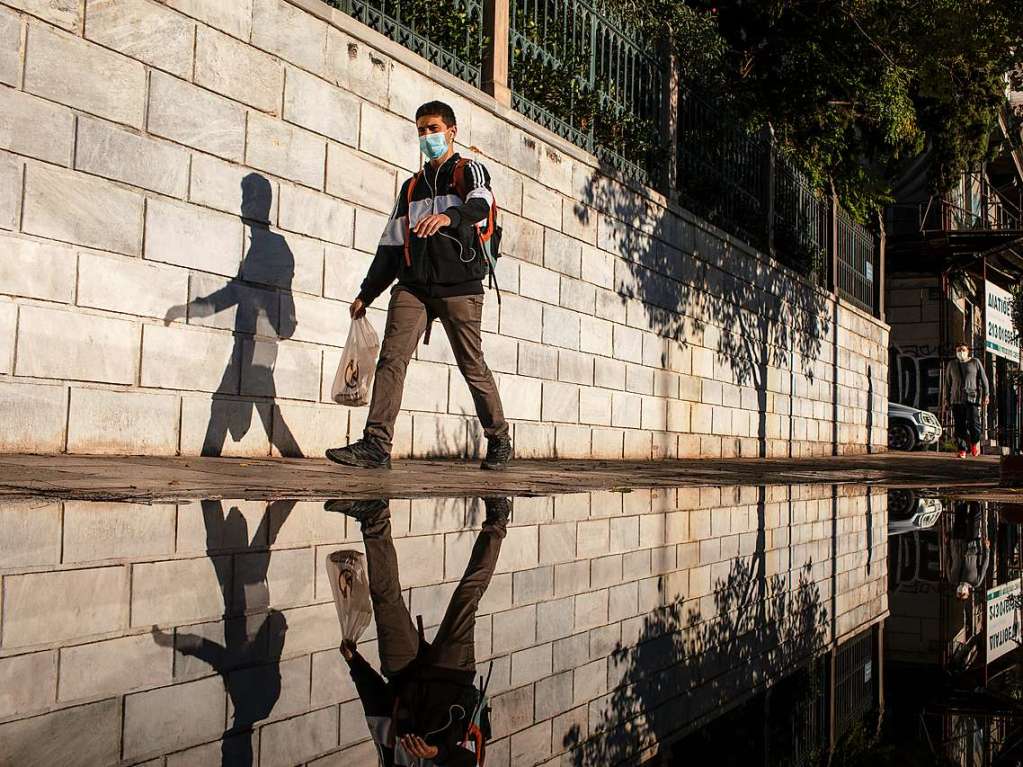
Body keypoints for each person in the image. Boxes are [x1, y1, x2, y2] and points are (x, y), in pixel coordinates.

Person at [326, 101, 511, 471]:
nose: (427, 136)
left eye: (433, 129)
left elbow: (481, 204)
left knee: (471, 365)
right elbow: (391, 246)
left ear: (451, 131)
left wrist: (448, 216)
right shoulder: (411, 187)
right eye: (421, 130)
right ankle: (376, 445)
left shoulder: (468, 169)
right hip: (413, 286)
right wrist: (367, 293)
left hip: (460, 286)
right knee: (392, 359)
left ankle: (499, 437)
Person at [328, 497, 509, 766]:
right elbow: (468, 760)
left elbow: (378, 708)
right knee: (466, 598)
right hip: (452, 678)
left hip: (405, 678)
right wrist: (437, 754)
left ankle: (374, 518)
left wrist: (356, 664)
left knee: (385, 601)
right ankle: (497, 519)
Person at [944, 343, 989, 458]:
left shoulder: (975, 362)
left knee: (974, 424)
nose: (961, 352)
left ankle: (974, 443)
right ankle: (962, 449)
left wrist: (986, 395)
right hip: (956, 399)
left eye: (963, 350)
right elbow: (948, 383)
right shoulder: (952, 364)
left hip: (972, 398)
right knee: (960, 426)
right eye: (958, 350)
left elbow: (984, 380)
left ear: (968, 351)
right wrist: (946, 399)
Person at [948, 500, 989, 602]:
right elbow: (984, 564)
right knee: (974, 521)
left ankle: (961, 502)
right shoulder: (976, 582)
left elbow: (948, 560)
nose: (961, 591)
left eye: (959, 593)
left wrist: (946, 544)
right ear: (968, 592)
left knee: (959, 520)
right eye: (964, 593)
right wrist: (987, 548)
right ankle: (975, 502)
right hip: (972, 546)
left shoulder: (952, 579)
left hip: (956, 544)